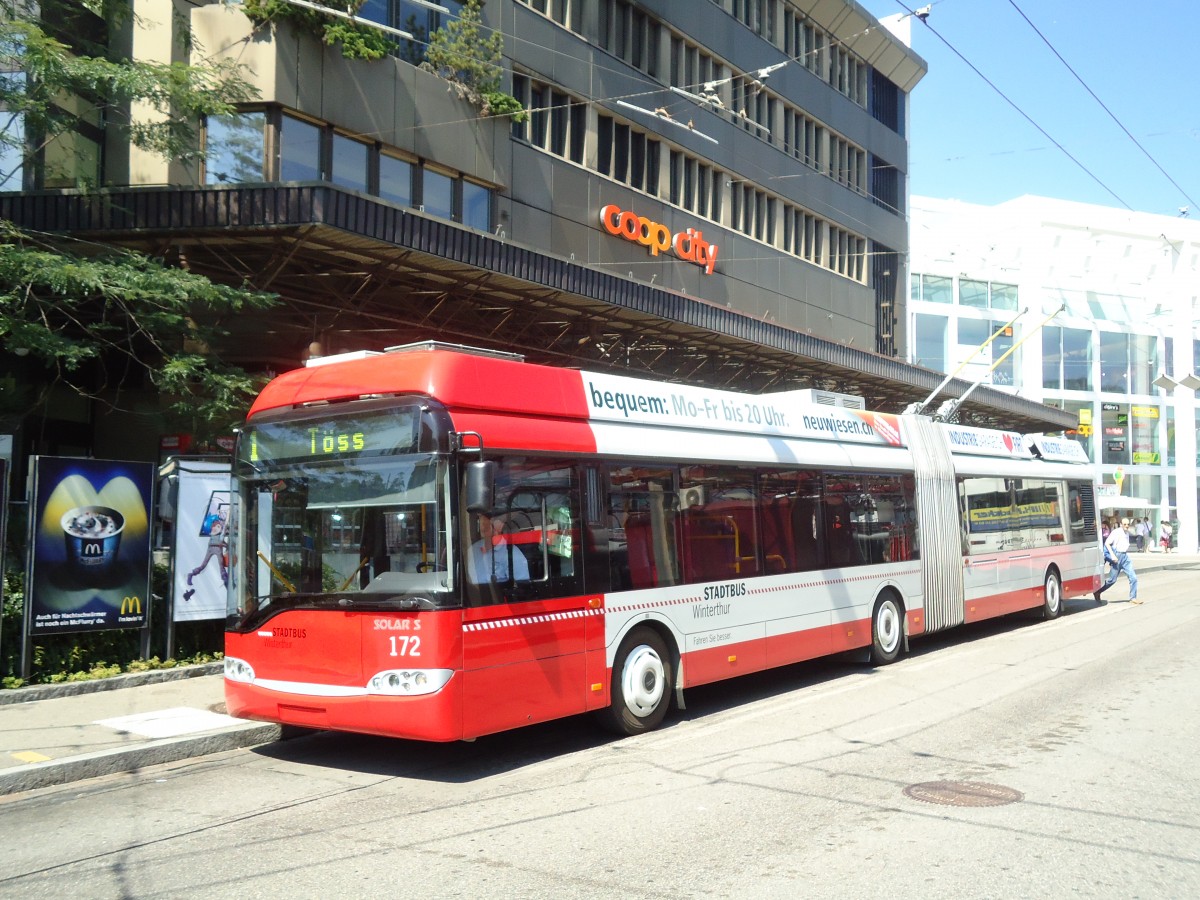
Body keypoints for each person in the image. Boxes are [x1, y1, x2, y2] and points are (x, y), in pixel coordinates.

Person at [467, 510, 530, 584]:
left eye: (487, 523)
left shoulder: (513, 555)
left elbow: (522, 588)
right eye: (480, 520)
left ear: (499, 526)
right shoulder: (473, 550)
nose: (483, 525)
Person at [1095, 517, 1139, 605]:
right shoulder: (1116, 532)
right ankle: (1097, 591)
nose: (1126, 526)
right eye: (1125, 524)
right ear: (1121, 524)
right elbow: (1107, 543)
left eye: (1128, 524)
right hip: (1117, 556)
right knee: (1112, 580)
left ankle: (1133, 597)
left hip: (1125, 556)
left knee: (1133, 577)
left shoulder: (1127, 532)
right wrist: (1112, 555)